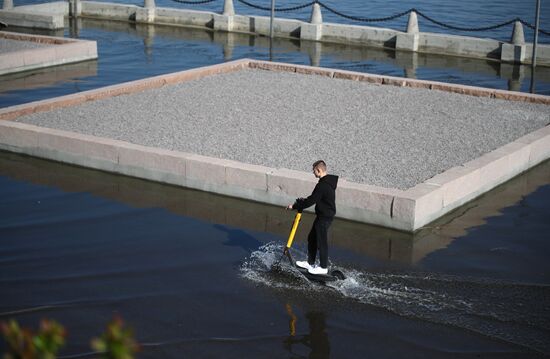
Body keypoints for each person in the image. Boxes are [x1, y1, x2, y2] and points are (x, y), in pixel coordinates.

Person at [286, 160, 338, 275]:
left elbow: (311, 201)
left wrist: (294, 206)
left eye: (314, 170)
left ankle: (323, 268)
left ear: (319, 170)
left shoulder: (323, 185)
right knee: (312, 238)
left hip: (325, 217)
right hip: (323, 215)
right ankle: (310, 263)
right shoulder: (327, 182)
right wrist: (303, 201)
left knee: (321, 241)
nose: (313, 173)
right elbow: (314, 198)